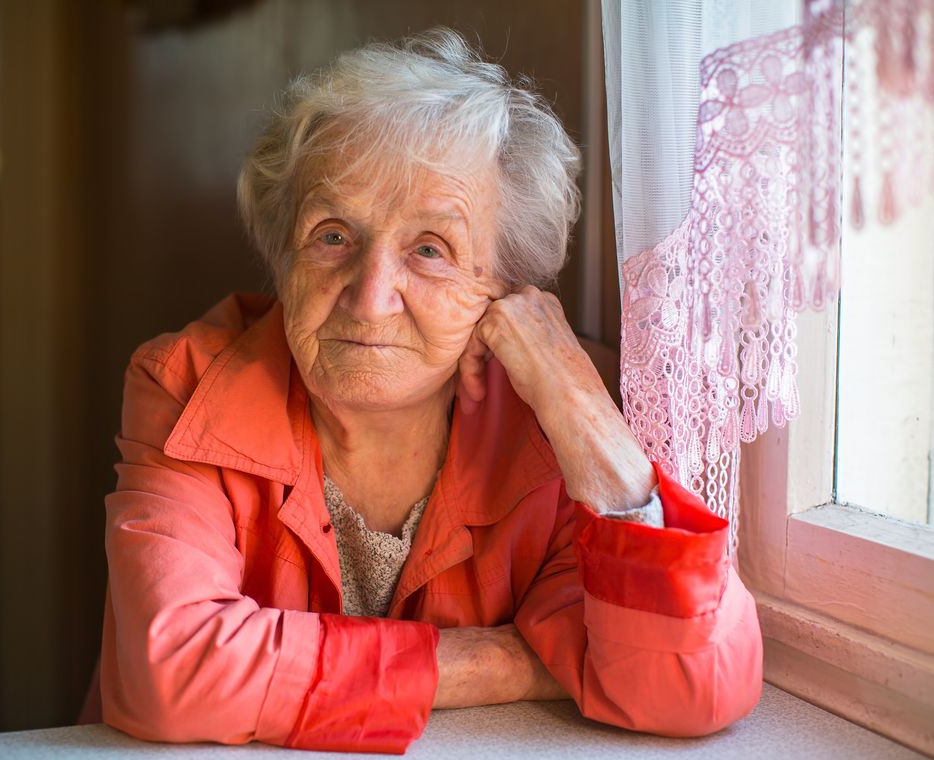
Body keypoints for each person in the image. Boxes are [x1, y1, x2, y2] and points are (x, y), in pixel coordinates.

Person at [98, 28, 762, 754]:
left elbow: (692, 683)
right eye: (332, 236)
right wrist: (501, 660)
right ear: (281, 252)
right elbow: (171, 673)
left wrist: (583, 412)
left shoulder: (552, 426)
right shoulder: (187, 386)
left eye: (430, 249)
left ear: (502, 290)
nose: (370, 297)